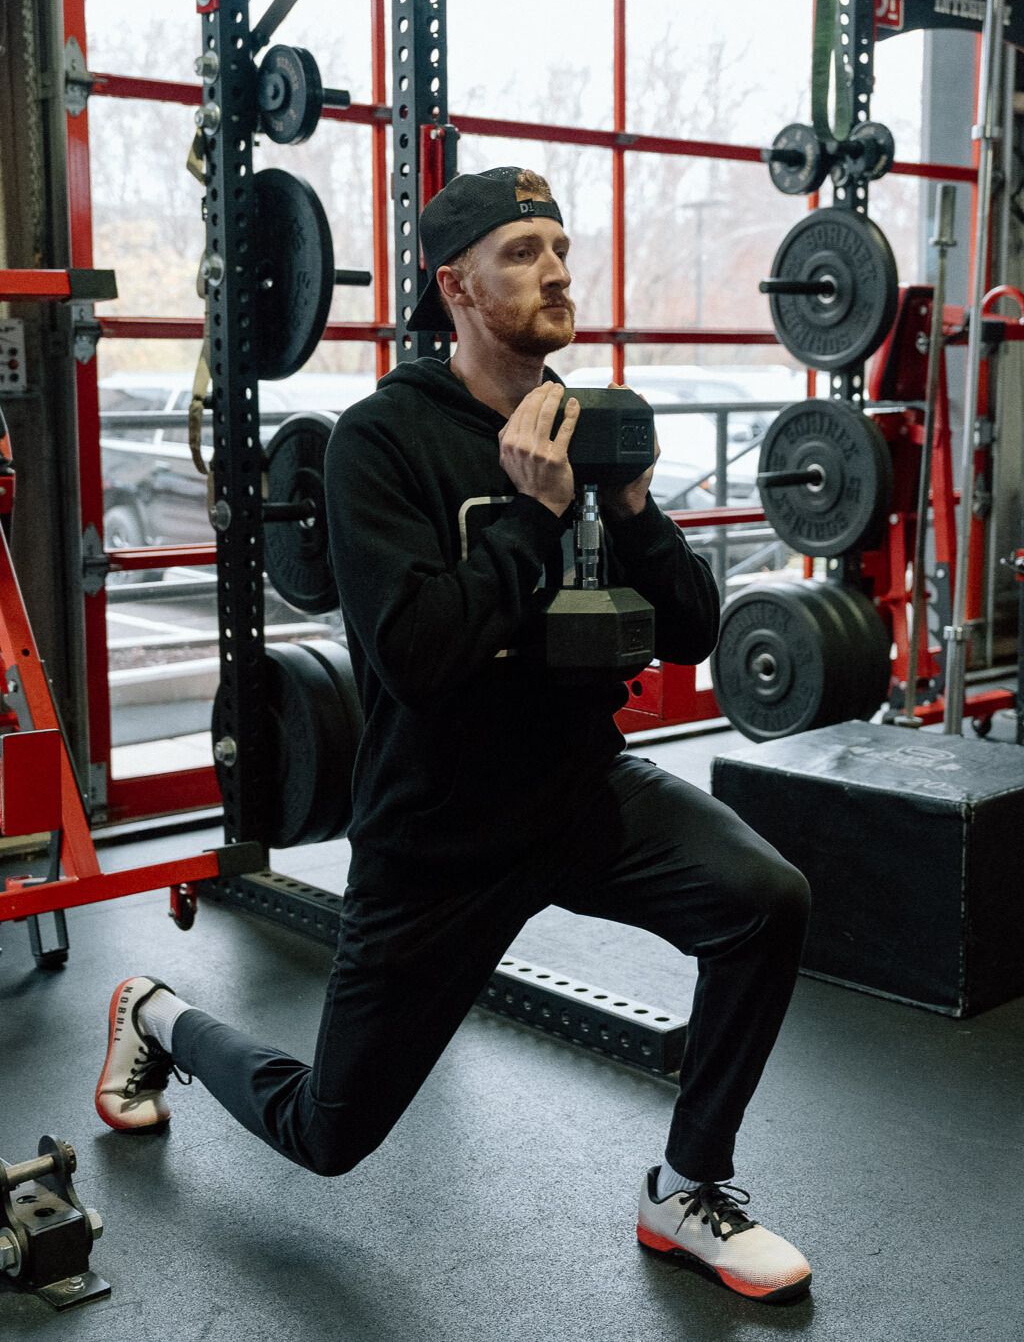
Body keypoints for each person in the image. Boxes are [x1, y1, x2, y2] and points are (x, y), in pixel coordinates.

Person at [96, 166, 812, 1304]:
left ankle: (685, 1186)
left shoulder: (589, 426)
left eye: (561, 246)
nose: (558, 269)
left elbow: (690, 631)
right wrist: (529, 515)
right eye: (524, 251)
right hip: (437, 830)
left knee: (765, 901)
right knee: (328, 1135)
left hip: (582, 792)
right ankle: (160, 1016)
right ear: (457, 286)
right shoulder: (379, 443)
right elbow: (418, 656)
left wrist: (624, 507)